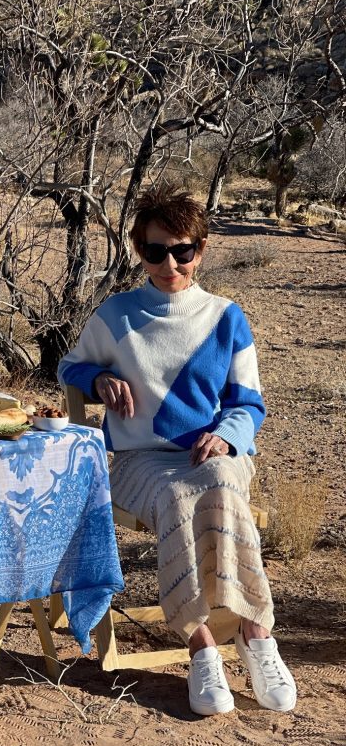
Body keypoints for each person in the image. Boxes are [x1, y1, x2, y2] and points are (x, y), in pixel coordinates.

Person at [58, 183, 296, 716]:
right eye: (156, 250)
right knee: (178, 496)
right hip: (142, 461)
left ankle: (257, 634)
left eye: (182, 250)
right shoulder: (116, 315)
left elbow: (249, 404)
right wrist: (97, 379)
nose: (170, 263)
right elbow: (68, 366)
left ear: (200, 250)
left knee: (217, 484)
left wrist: (227, 436)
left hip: (215, 453)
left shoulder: (226, 317)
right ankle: (203, 647)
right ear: (140, 251)